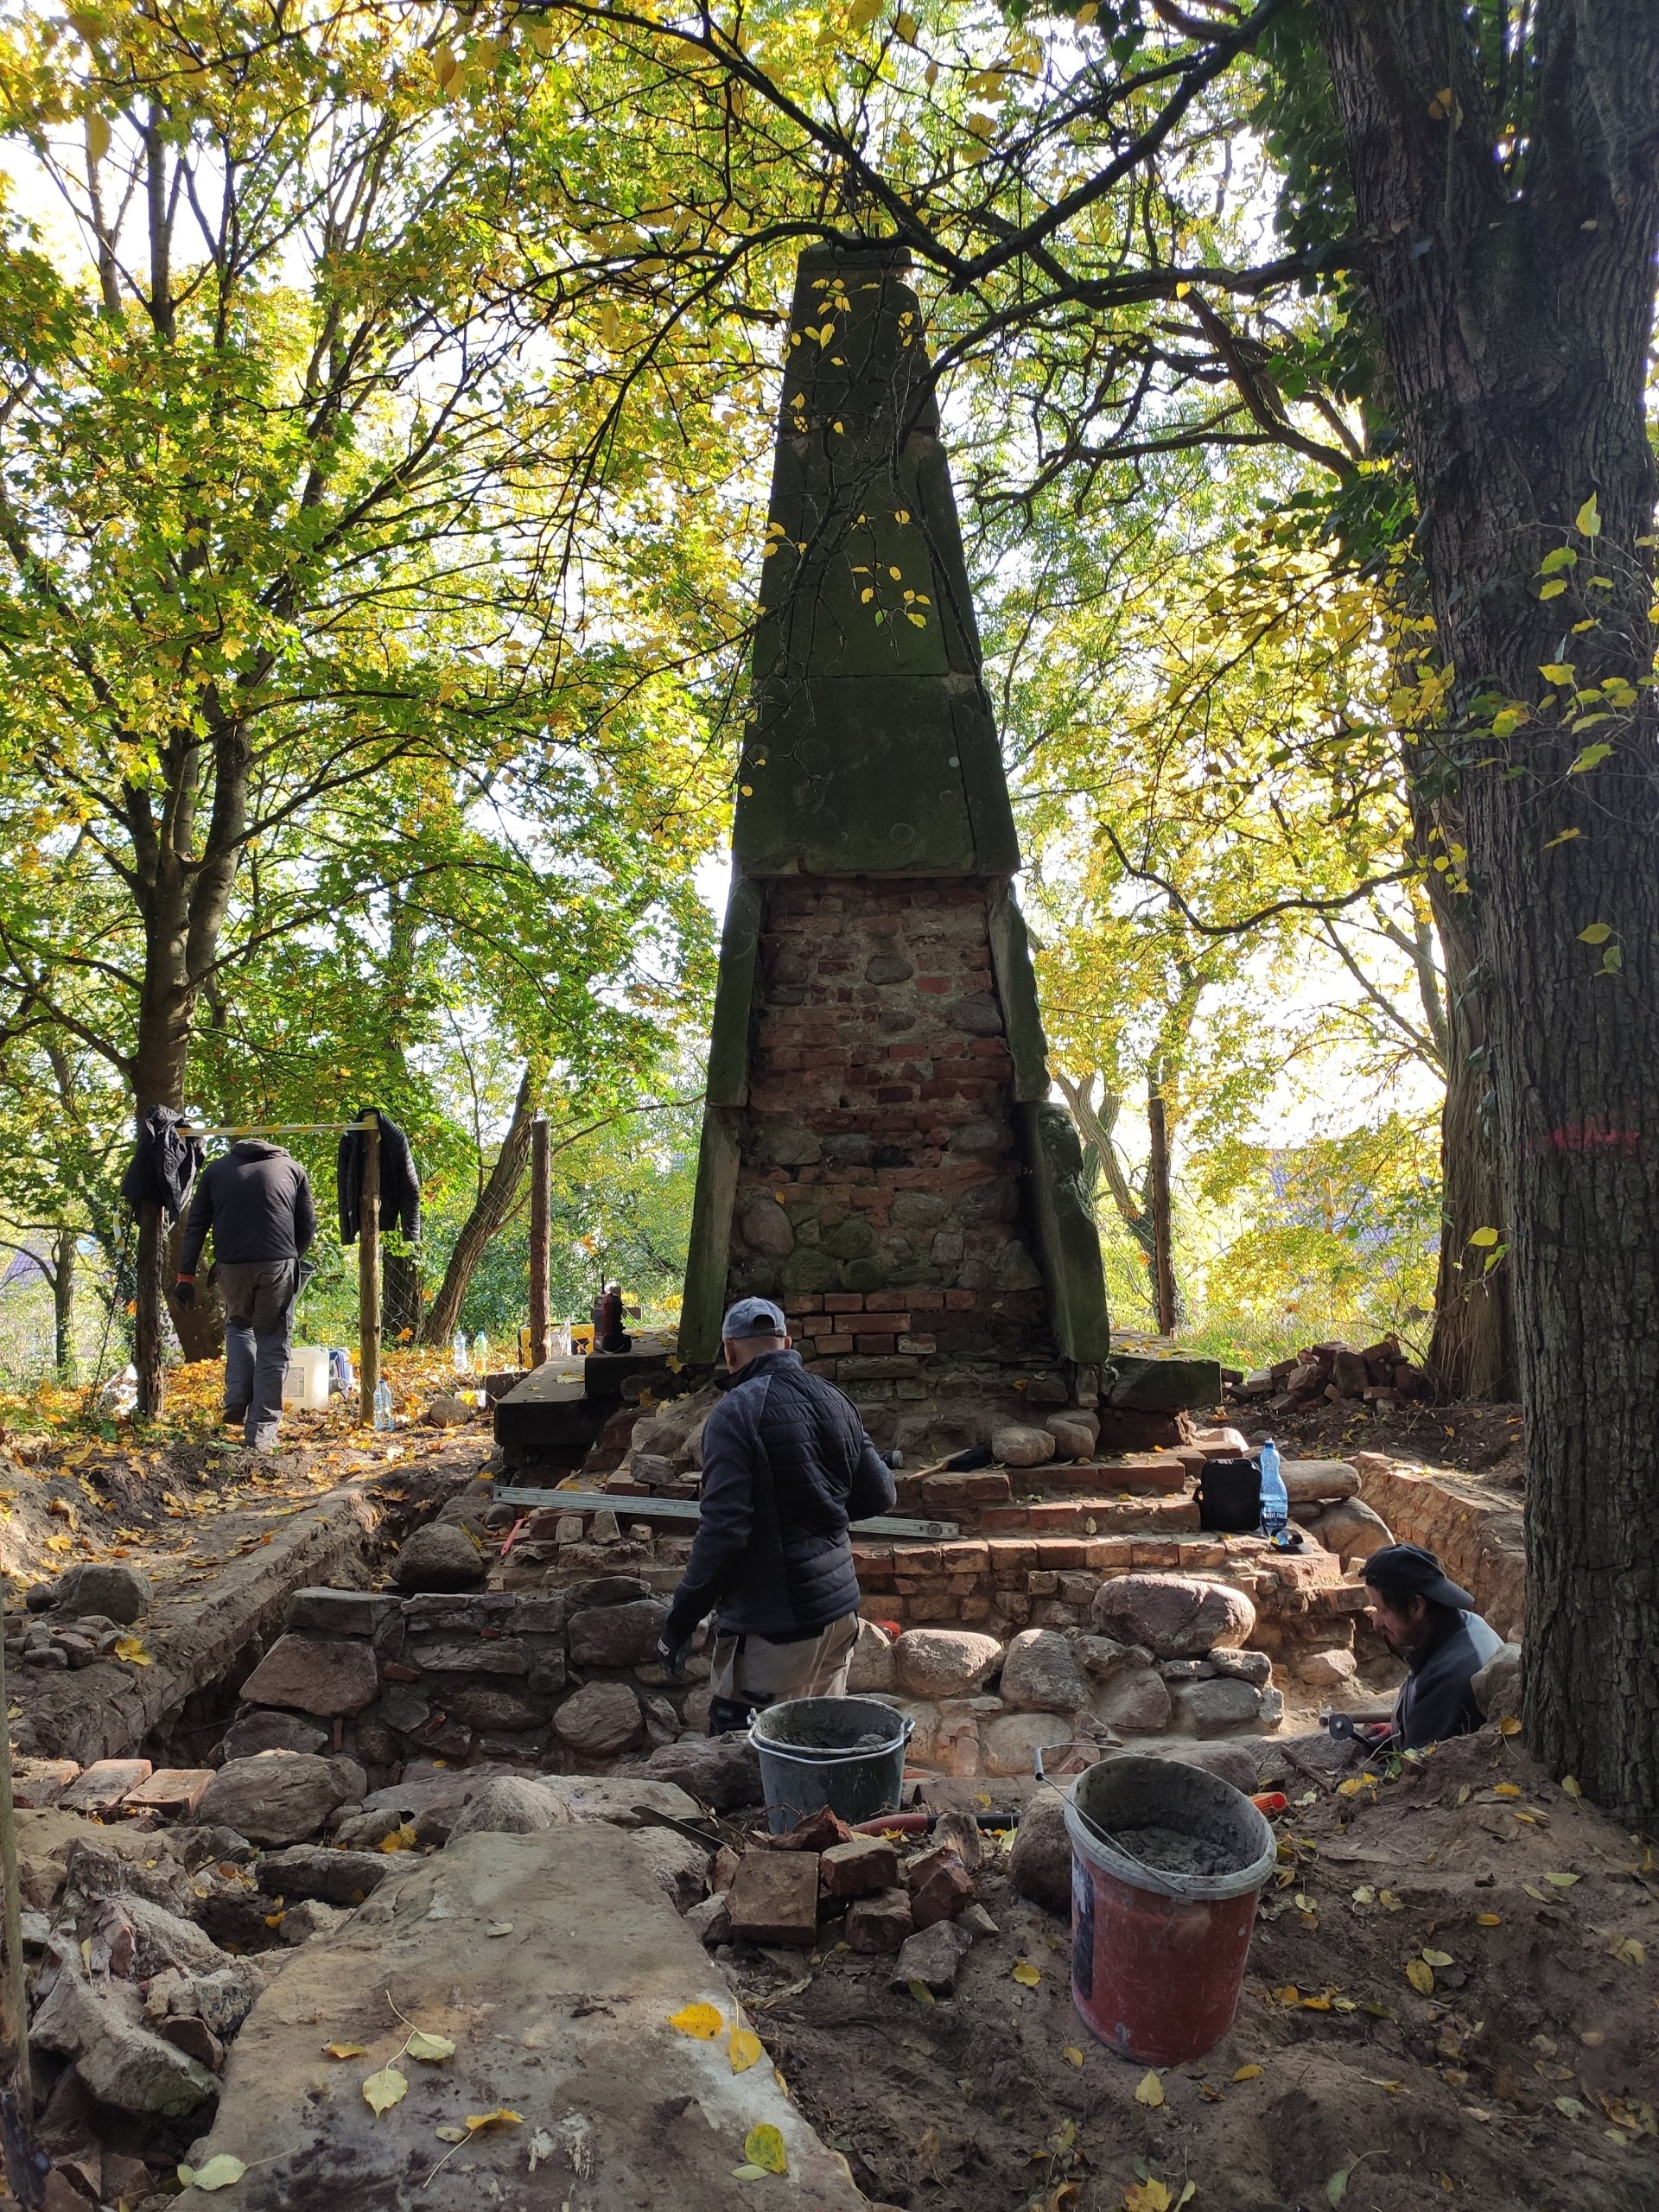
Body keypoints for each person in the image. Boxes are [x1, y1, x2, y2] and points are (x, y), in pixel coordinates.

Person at [656, 1297, 896, 1733]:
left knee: (751, 1767)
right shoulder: (834, 1398)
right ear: (786, 1342)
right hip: (839, 1618)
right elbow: (881, 1494)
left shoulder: (735, 1412)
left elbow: (724, 1533)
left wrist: (679, 1623)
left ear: (729, 1351)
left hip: (774, 1634)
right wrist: (816, 1514)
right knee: (819, 1753)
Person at [175, 1139, 316, 1452]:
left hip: (231, 1266)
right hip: (277, 1264)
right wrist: (292, 1259)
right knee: (272, 1340)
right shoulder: (291, 1169)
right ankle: (261, 1435)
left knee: (239, 1326)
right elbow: (307, 1225)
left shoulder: (217, 1170)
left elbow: (196, 1224)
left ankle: (237, 1395)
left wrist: (185, 1276)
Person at [1361, 1542, 1506, 1751]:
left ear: (1417, 1607)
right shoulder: (1468, 1624)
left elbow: (1417, 1772)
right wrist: (1401, 1728)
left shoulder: (1450, 1679)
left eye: (1383, 1611)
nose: (1376, 1623)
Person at [594, 1281, 632, 1355]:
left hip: (602, 1341)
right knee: (626, 1343)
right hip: (609, 1344)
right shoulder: (609, 1301)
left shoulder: (601, 1299)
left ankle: (599, 1343)